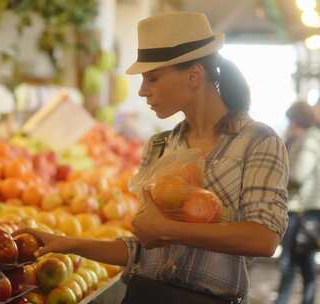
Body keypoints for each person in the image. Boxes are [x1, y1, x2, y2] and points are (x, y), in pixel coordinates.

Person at [18, 12, 289, 304]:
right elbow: (146, 250)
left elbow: (264, 238)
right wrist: (69, 244)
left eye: (153, 78)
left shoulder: (258, 142)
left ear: (194, 76)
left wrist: (169, 230)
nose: (142, 91)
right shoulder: (160, 147)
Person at [275, 102, 320, 304]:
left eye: (291, 119)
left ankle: (282, 301)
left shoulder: (309, 139)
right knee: (303, 262)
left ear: (297, 119)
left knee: (289, 262)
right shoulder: (308, 138)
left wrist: (276, 179)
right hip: (306, 209)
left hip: (300, 210)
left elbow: (298, 175)